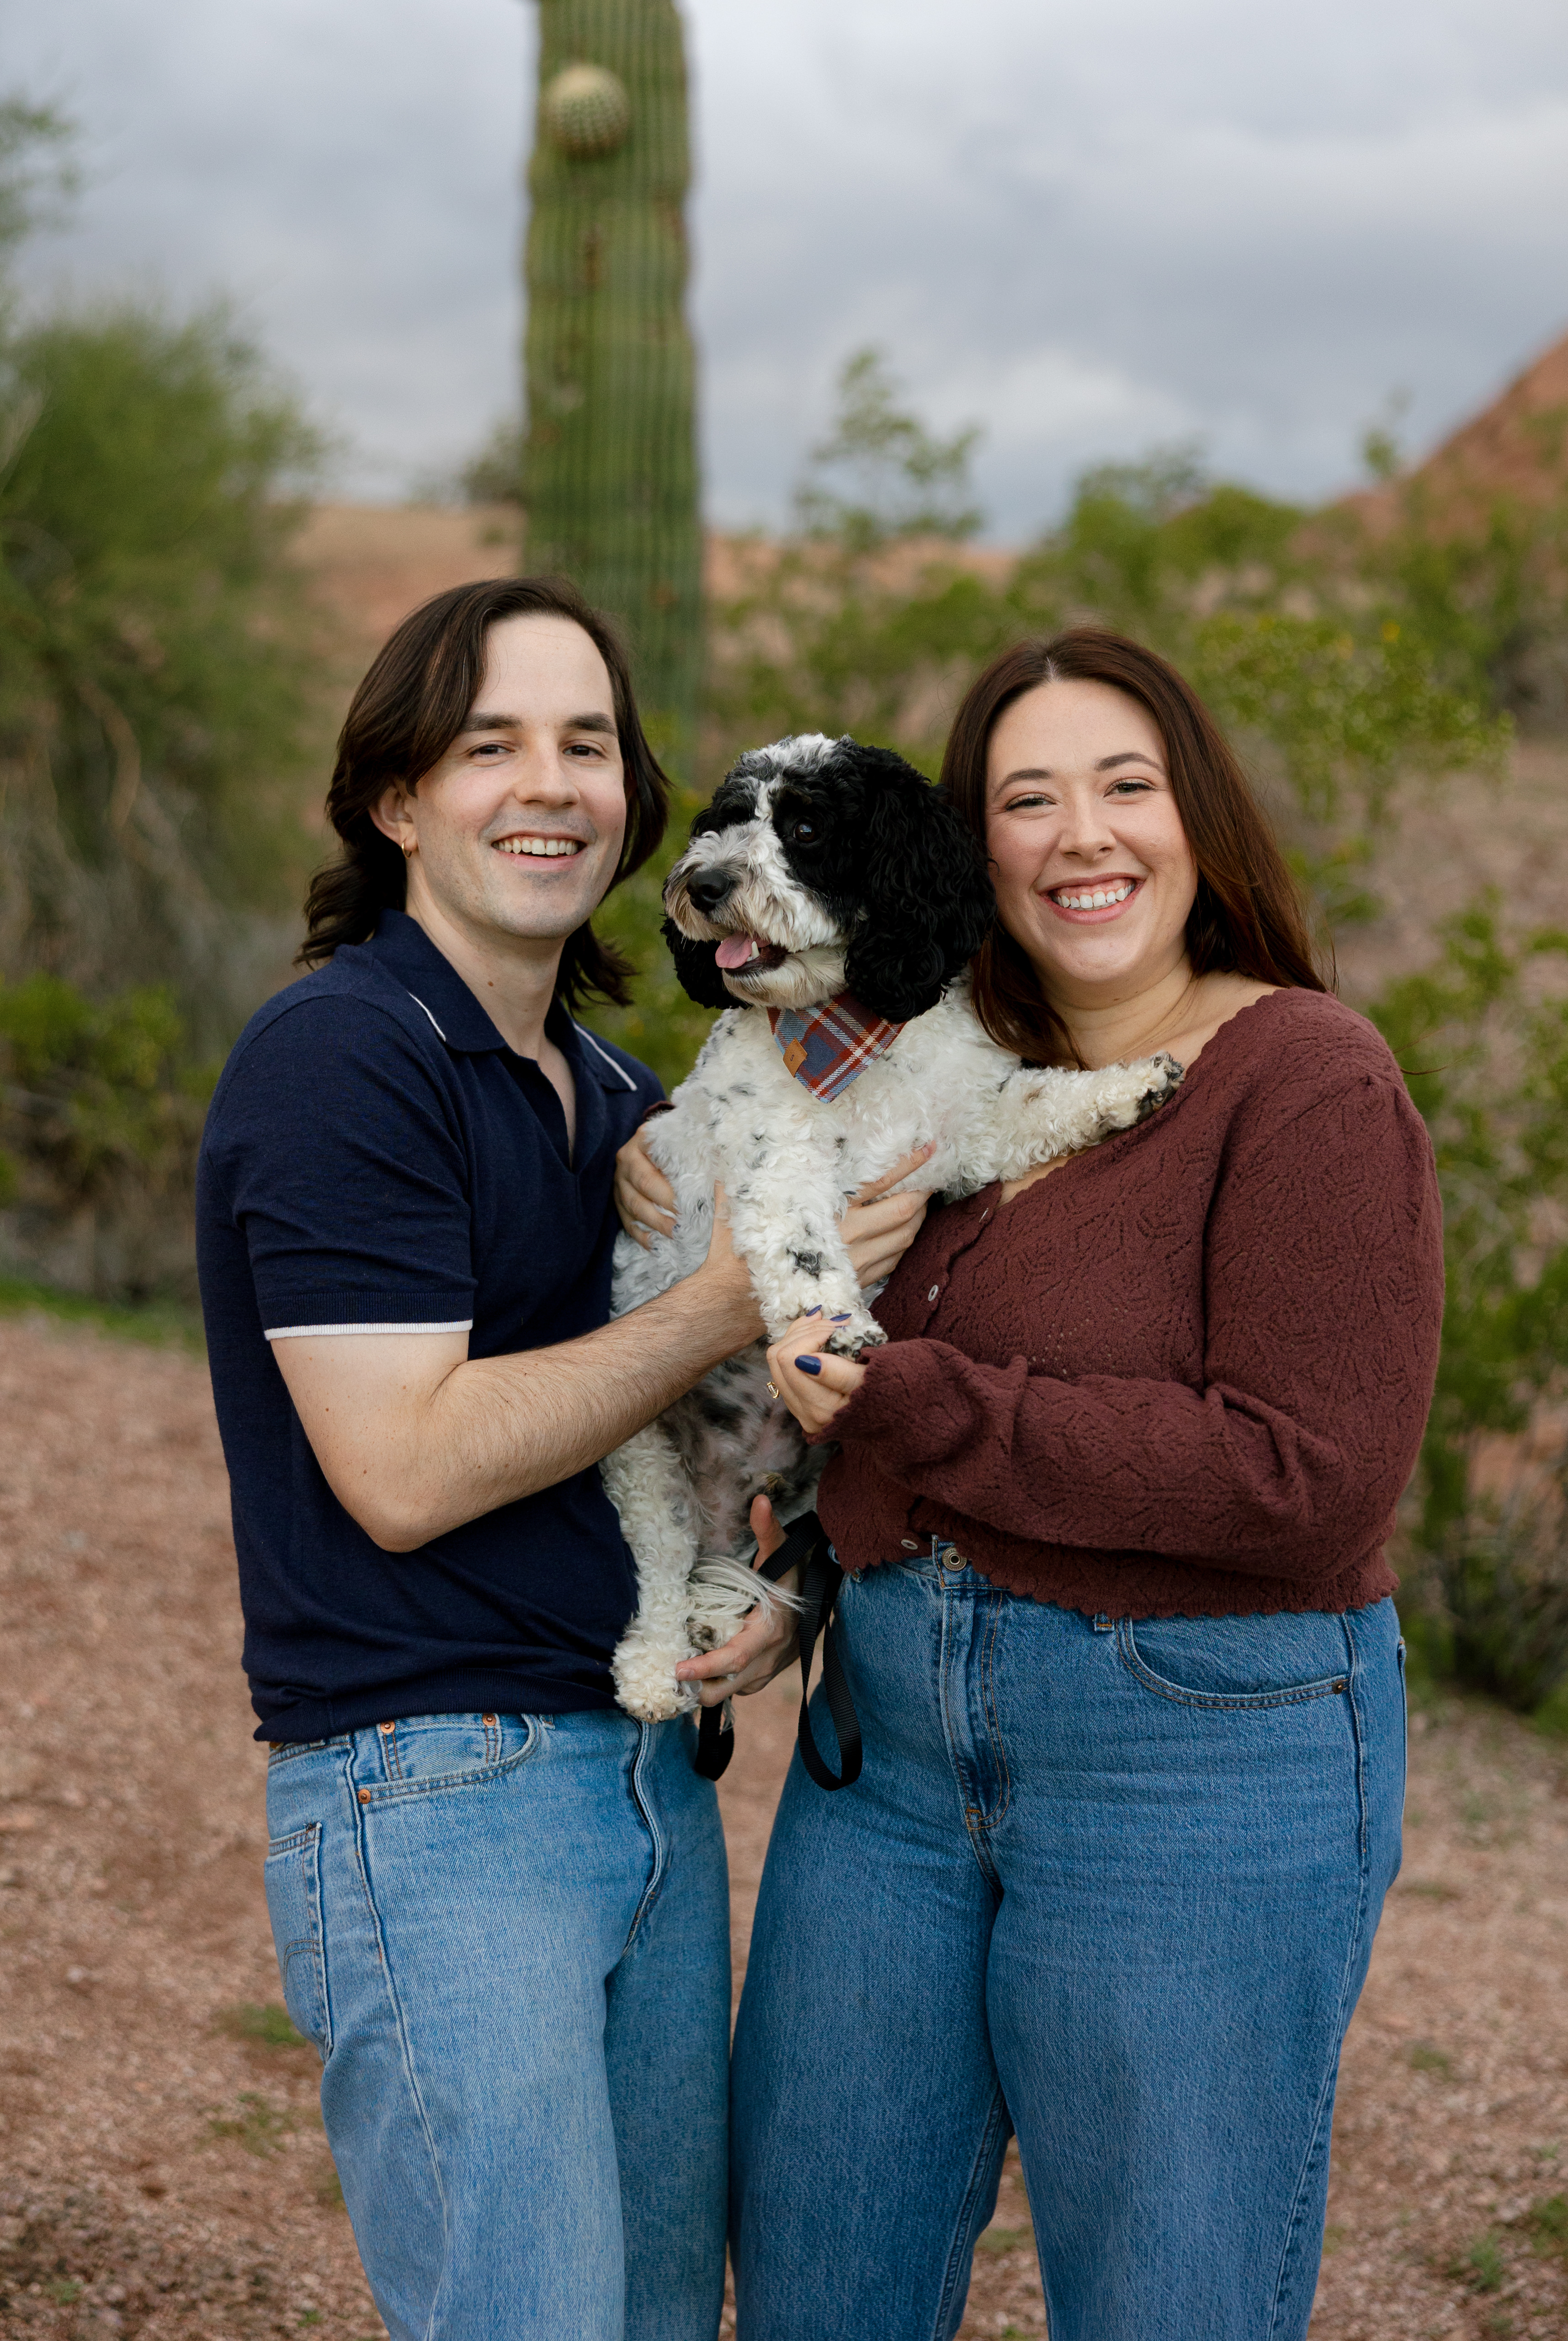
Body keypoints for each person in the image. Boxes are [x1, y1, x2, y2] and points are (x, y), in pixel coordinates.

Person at [618, 627, 1445, 2341]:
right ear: (971, 845)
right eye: (1028, 796)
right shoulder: (938, 1064)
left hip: (1195, 1767)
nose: (1082, 834)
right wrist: (803, 1572)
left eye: (1124, 786)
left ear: (1195, 821)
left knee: (1167, 2303)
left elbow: (1305, 1480)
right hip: (893, 1767)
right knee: (815, 2292)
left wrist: (905, 1403)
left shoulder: (1301, 1082)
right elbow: (805, 1332)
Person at [195, 575, 928, 2341]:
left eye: (586, 743)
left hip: (641, 1780)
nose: (549, 783)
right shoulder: (340, 1061)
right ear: (397, 802)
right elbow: (407, 1471)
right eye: (488, 745)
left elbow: (704, 1440)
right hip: (438, 1800)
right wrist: (736, 1296)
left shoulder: (609, 1087)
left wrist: (781, 1592)